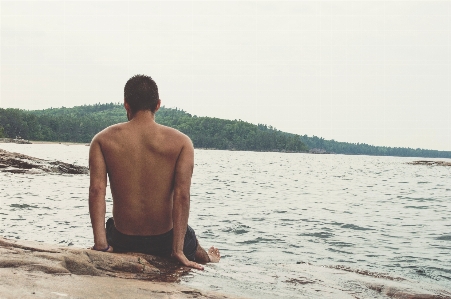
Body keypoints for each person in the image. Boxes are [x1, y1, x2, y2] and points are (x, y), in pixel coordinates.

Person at [88, 74, 220, 270]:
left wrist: (101, 244)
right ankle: (209, 258)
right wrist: (178, 251)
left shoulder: (102, 140)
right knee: (189, 236)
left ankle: (104, 240)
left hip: (123, 240)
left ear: (126, 104)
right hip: (164, 242)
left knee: (111, 224)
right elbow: (182, 196)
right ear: (158, 104)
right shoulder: (182, 142)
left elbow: (97, 190)